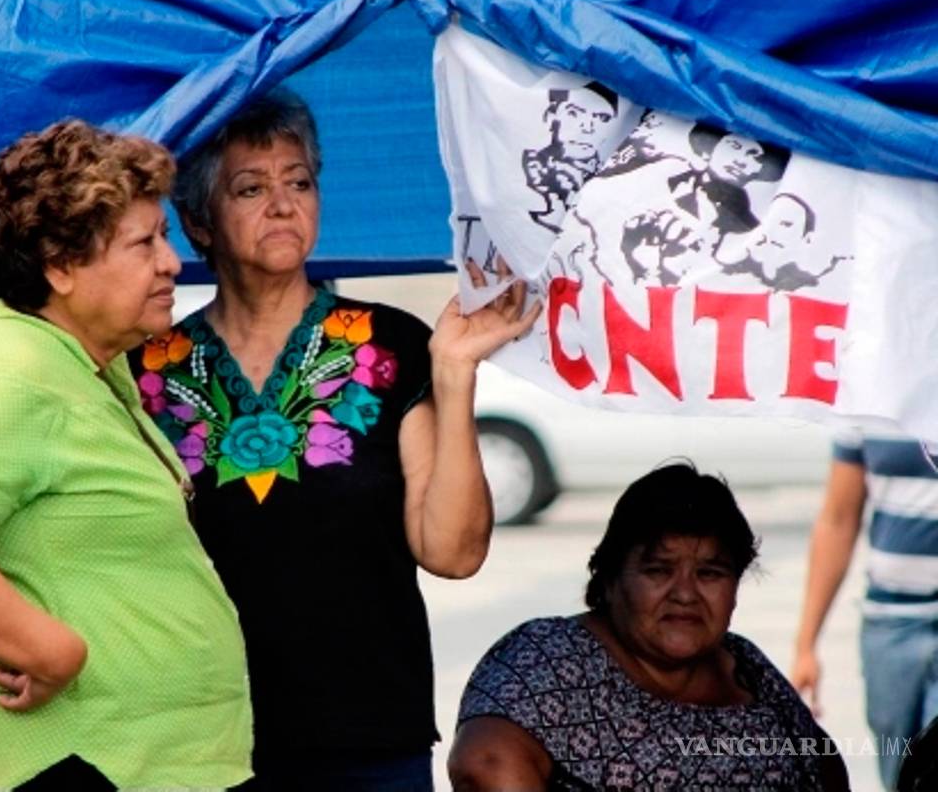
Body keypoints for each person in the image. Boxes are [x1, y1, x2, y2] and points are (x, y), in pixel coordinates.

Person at [133, 88, 539, 791]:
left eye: (299, 182)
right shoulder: (148, 372)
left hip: (369, 740)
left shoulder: (391, 346)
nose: (283, 204)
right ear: (197, 222)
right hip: (195, 742)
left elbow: (453, 552)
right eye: (251, 188)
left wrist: (454, 370)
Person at [0, 119, 253, 790]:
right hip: (58, 765)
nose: (169, 261)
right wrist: (50, 651)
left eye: (163, 236)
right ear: (61, 266)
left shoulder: (87, 364)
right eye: (143, 243)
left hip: (133, 763)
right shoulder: (14, 371)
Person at [449, 462, 849, 791]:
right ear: (609, 576)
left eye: (710, 573)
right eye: (659, 570)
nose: (686, 594)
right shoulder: (549, 654)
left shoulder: (744, 664)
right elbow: (483, 763)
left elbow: (828, 770)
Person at [792, 429, 938, 790]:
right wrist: (806, 646)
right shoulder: (869, 395)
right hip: (889, 624)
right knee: (898, 771)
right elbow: (838, 520)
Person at [666, 124, 788, 255]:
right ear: (708, 150)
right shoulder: (665, 182)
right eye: (734, 147)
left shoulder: (748, 229)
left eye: (756, 157)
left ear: (759, 171)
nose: (741, 161)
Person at [523, 81, 619, 232]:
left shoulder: (615, 179)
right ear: (551, 116)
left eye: (602, 118)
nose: (588, 128)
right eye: (574, 113)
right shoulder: (531, 166)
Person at [718, 192, 852, 292]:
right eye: (770, 222)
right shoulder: (728, 273)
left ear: (807, 238)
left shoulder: (811, 287)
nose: (772, 231)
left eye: (786, 225)